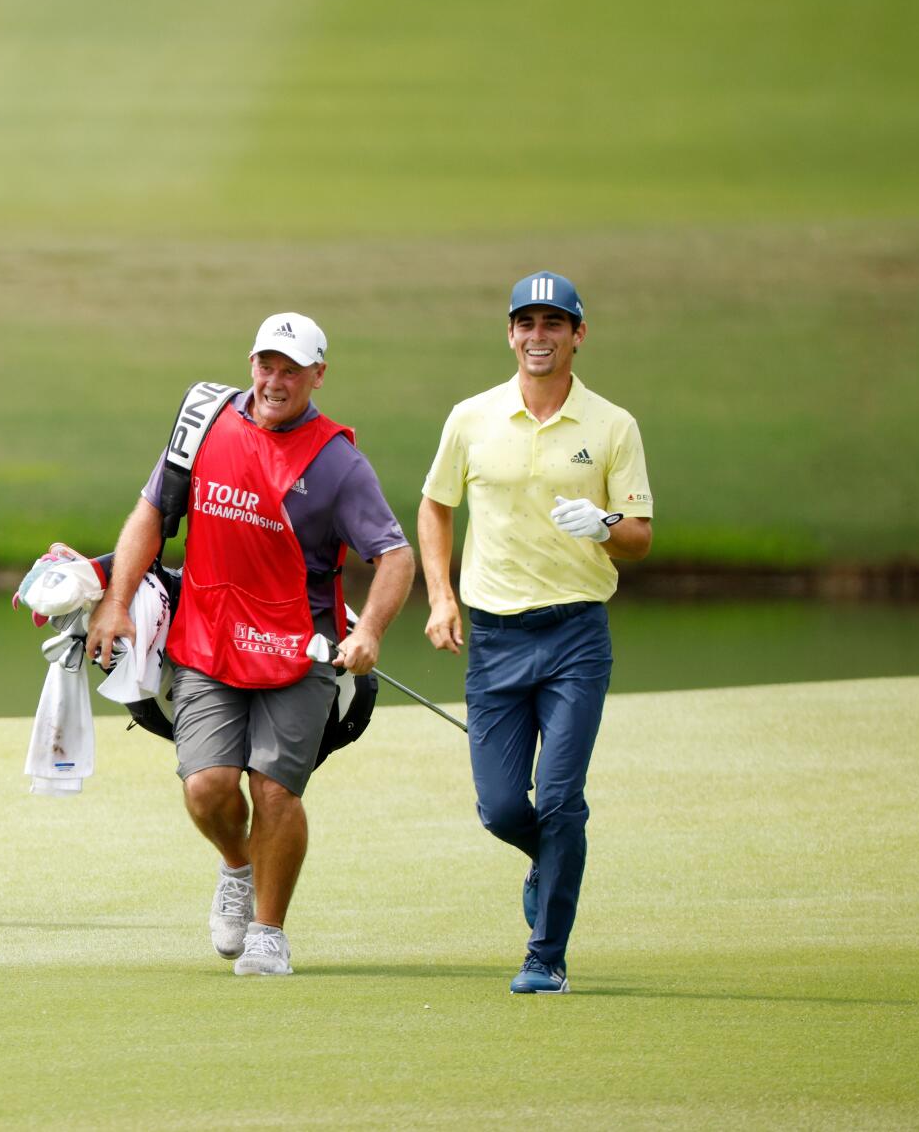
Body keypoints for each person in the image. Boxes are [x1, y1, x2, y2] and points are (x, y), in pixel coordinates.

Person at [89, 314, 415, 977]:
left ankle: (269, 931)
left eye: (292, 369)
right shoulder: (206, 424)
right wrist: (118, 602)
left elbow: (395, 554)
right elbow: (151, 514)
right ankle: (238, 866)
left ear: (318, 375)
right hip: (206, 641)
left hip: (298, 652)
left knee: (274, 792)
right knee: (207, 789)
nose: (275, 380)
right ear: (251, 363)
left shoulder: (338, 462)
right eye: (267, 365)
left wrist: (370, 630)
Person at [418, 270, 654, 994]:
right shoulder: (472, 417)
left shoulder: (612, 425)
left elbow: (640, 536)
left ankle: (545, 955)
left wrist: (607, 524)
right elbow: (434, 506)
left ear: (578, 335)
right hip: (493, 636)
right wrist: (440, 596)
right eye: (527, 323)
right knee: (501, 808)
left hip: (576, 635)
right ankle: (550, 862)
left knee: (558, 799)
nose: (538, 336)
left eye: (554, 324)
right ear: (511, 333)